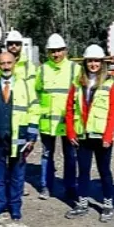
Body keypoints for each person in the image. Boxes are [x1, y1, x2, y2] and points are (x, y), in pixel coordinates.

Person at [0, 52, 40, 221]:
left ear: (14, 65)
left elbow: (34, 109)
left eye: (9, 63)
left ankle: (15, 206)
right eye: (2, 63)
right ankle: (0, 203)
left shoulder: (24, 86)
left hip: (19, 137)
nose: (5, 66)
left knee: (17, 175)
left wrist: (32, 136)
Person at [64, 45, 114, 221]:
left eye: (96, 61)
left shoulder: (109, 84)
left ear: (102, 63)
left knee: (104, 171)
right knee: (84, 171)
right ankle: (82, 203)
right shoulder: (77, 83)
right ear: (85, 62)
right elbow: (70, 109)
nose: (93, 64)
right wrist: (71, 133)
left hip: (101, 137)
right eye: (90, 61)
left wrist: (108, 136)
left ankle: (108, 205)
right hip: (83, 136)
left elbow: (113, 111)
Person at [36, 33, 81, 201]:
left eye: (58, 51)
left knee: (70, 155)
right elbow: (37, 93)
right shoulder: (42, 69)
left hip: (67, 123)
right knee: (47, 154)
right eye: (52, 51)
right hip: (47, 122)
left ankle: (70, 187)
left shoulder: (74, 69)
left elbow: (80, 96)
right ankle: (46, 186)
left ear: (65, 50)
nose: (55, 54)